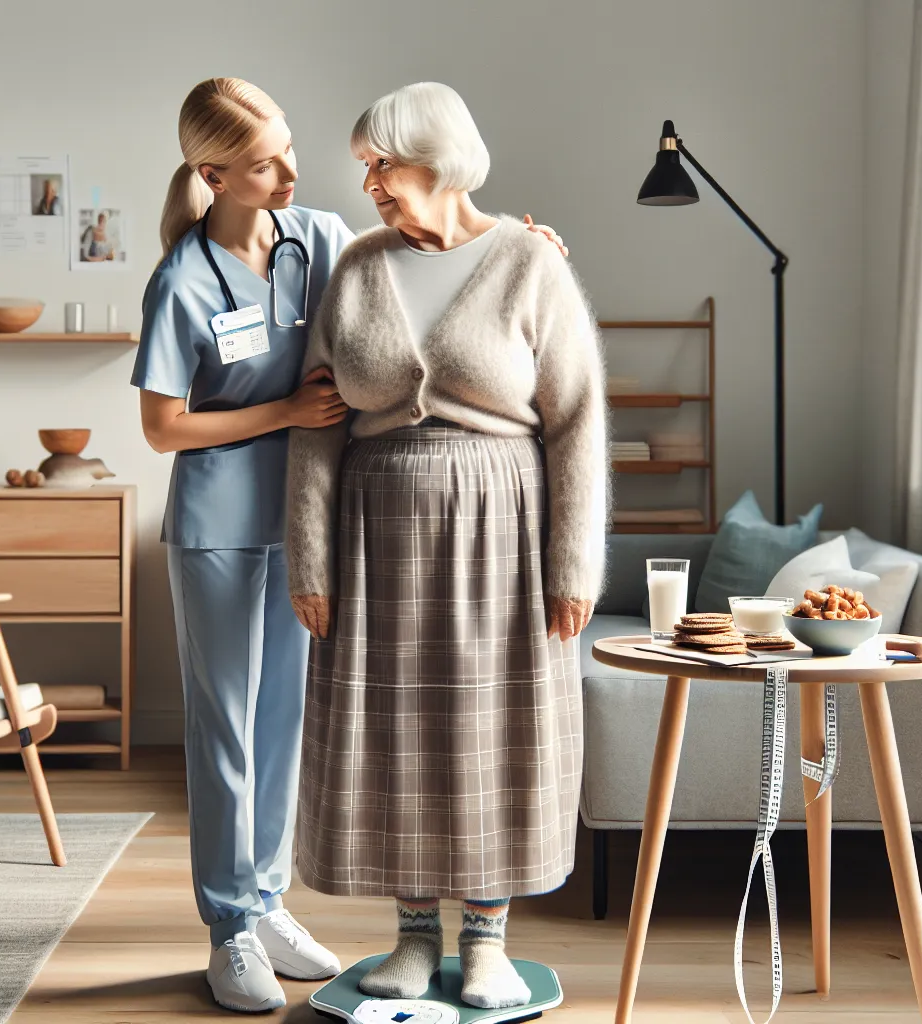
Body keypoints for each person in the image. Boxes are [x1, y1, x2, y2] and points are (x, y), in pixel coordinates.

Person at [131, 77, 567, 1015]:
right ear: (212, 175)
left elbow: (427, 259)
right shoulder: (182, 279)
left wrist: (526, 249)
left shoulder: (321, 239)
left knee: (287, 723)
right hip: (217, 528)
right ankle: (229, 927)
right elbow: (163, 428)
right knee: (226, 733)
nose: (291, 172)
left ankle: (271, 898)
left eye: (289, 149)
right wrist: (282, 411)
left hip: (308, 521)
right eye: (263, 163)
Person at [285, 81, 607, 1011]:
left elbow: (577, 422)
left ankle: (491, 936)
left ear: (442, 157)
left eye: (385, 164)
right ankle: (415, 936)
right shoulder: (355, 267)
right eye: (367, 169)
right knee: (394, 734)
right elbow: (318, 428)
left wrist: (573, 563)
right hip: (376, 533)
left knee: (493, 732)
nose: (373, 184)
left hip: (502, 531)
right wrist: (310, 559)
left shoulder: (528, 262)